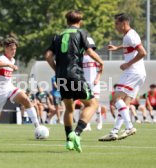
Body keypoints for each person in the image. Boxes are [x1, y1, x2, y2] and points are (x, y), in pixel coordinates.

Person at [45, 10, 104, 152]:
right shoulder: (82, 33)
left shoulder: (57, 36)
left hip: (61, 77)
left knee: (69, 109)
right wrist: (101, 62)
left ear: (67, 21)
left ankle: (68, 141)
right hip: (75, 75)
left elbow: (48, 56)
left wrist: (57, 70)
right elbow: (90, 51)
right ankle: (76, 133)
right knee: (92, 104)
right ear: (80, 21)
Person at [99, 13, 147, 141]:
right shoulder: (129, 35)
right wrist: (117, 48)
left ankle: (129, 126)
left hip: (133, 71)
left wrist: (127, 64)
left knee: (115, 98)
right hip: (139, 73)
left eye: (117, 24)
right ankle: (114, 131)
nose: (115, 26)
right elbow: (130, 47)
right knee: (124, 103)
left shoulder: (130, 35)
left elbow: (143, 52)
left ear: (124, 23)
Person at [0, 37, 40, 138]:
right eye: (11, 49)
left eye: (15, 49)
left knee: (26, 100)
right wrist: (9, 65)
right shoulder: (3, 59)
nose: (14, 51)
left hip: (9, 87)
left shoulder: (13, 59)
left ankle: (38, 127)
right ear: (6, 49)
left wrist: (10, 64)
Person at [83, 53, 107, 130]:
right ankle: (87, 124)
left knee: (95, 104)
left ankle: (99, 121)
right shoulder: (80, 57)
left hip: (94, 83)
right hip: (85, 83)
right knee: (87, 104)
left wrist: (98, 78)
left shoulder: (94, 56)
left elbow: (101, 66)